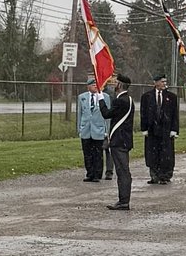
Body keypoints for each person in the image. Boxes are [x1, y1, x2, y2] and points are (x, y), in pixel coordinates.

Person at [98, 73, 135, 210]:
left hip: (119, 141)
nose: (114, 84)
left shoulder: (120, 101)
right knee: (123, 170)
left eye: (116, 82)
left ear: (120, 85)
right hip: (124, 140)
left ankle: (124, 201)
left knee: (122, 171)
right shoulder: (128, 99)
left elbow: (106, 114)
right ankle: (123, 200)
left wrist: (100, 98)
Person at [140, 73, 179, 185]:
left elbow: (174, 115)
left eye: (165, 82)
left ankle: (165, 176)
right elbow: (143, 114)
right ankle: (154, 175)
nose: (164, 84)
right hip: (152, 130)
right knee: (152, 154)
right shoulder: (147, 97)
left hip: (166, 130)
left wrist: (174, 130)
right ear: (155, 82)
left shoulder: (171, 97)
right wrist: (144, 129)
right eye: (162, 82)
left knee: (166, 154)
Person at [76, 78, 110, 182]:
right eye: (92, 84)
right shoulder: (82, 97)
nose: (95, 86)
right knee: (87, 153)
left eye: (96, 84)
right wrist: (79, 129)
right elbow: (79, 114)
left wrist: (107, 130)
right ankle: (89, 173)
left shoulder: (105, 97)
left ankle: (97, 174)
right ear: (88, 86)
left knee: (98, 153)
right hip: (86, 129)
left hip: (98, 129)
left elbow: (108, 116)